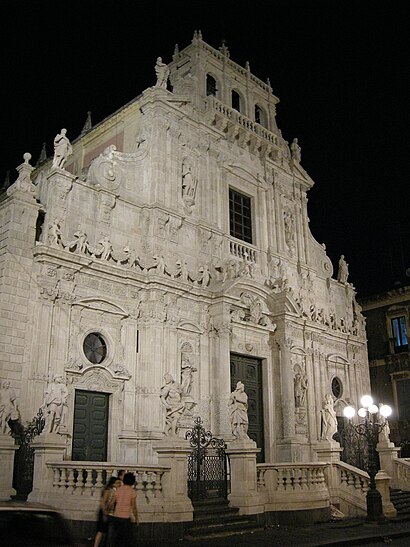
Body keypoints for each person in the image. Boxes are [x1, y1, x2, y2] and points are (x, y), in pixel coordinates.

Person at [108, 472, 138, 547]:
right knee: (125, 539)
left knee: (116, 539)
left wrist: (108, 512)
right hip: (126, 517)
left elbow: (111, 503)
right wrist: (136, 518)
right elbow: (133, 507)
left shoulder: (118, 490)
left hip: (116, 516)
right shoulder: (132, 491)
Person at [93, 476, 121, 547]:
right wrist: (105, 514)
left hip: (111, 513)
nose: (119, 485)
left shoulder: (116, 491)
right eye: (117, 483)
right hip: (105, 513)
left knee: (106, 532)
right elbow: (103, 502)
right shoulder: (108, 490)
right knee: (101, 531)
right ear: (113, 484)